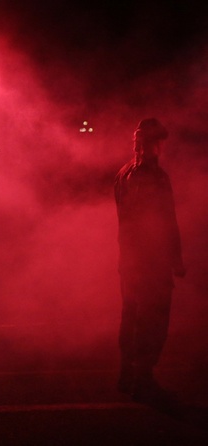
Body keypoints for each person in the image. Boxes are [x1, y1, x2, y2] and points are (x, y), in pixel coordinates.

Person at [114, 118, 186, 406]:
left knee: (131, 315)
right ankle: (143, 379)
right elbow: (165, 221)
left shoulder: (123, 173)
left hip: (129, 259)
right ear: (151, 144)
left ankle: (126, 373)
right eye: (159, 142)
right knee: (152, 320)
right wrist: (175, 258)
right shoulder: (154, 177)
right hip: (150, 261)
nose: (162, 147)